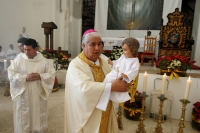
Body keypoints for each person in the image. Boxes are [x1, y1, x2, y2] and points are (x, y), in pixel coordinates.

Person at [64, 29, 129, 133]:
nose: (97, 48)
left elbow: (114, 78)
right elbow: (83, 89)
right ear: (83, 45)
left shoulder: (104, 62)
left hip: (105, 111)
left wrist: (123, 79)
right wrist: (111, 87)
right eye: (92, 44)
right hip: (87, 116)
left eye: (99, 44)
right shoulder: (76, 65)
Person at [7, 38, 55, 133]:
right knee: (24, 116)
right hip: (23, 93)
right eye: (24, 49)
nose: (26, 52)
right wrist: (24, 78)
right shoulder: (19, 59)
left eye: (29, 50)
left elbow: (51, 74)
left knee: (37, 113)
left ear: (36, 49)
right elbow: (11, 74)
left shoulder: (43, 61)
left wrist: (40, 76)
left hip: (38, 94)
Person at [104, 38, 140, 103]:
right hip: (115, 73)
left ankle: (110, 96)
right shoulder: (123, 56)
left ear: (133, 50)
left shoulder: (134, 61)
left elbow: (134, 71)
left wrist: (127, 75)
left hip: (122, 77)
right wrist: (112, 63)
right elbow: (118, 62)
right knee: (107, 78)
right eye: (123, 49)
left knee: (114, 85)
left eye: (125, 50)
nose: (123, 52)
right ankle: (105, 94)